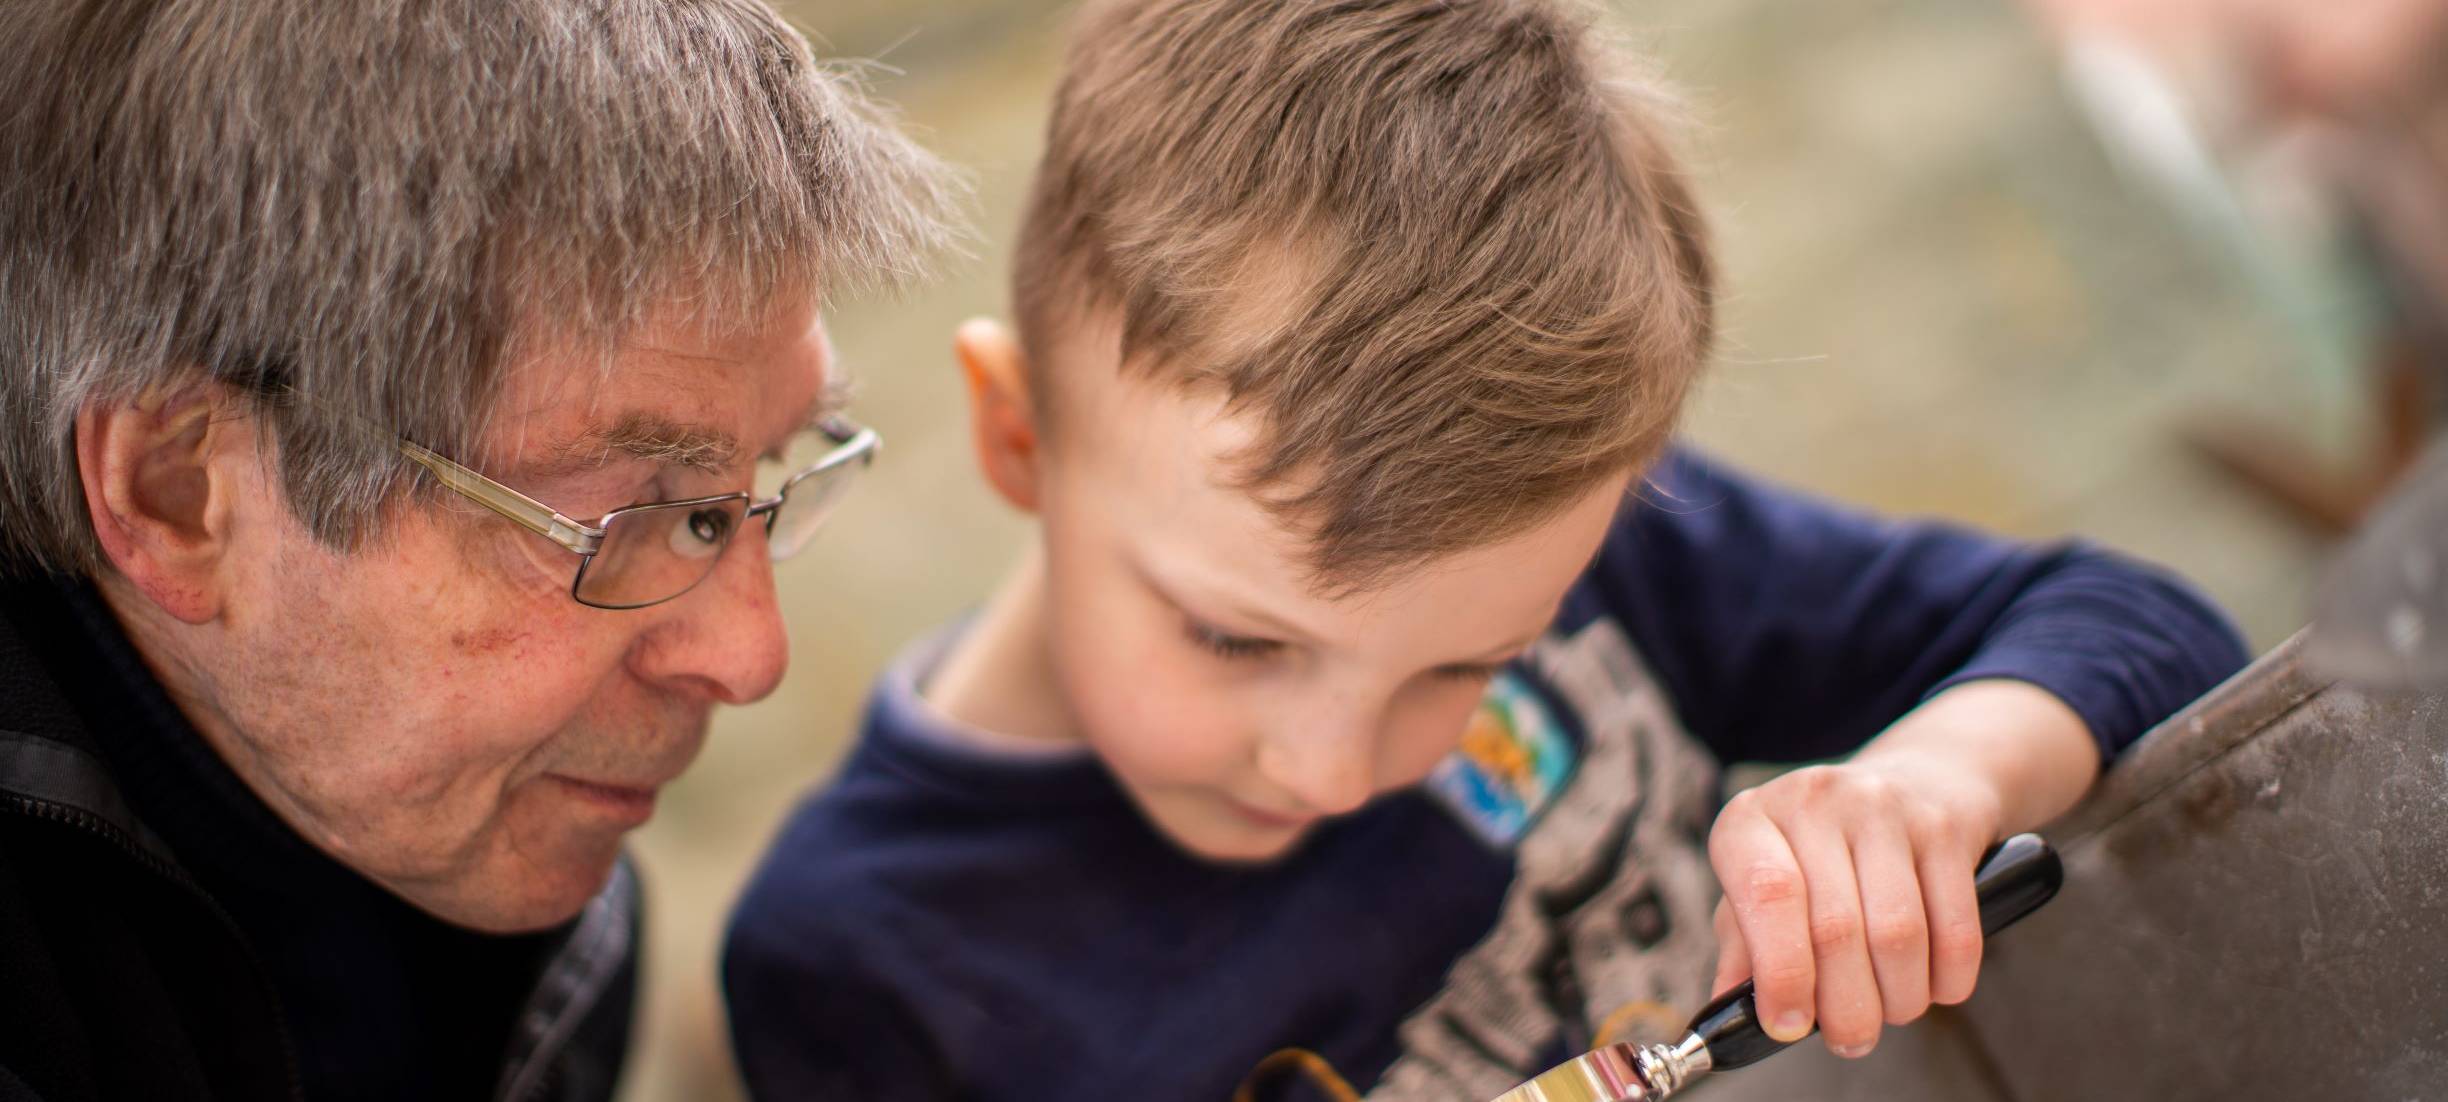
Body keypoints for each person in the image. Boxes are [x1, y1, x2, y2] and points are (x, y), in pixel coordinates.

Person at [719, 0, 2249, 1098]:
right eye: (1238, 636)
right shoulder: (865, 961)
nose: (1332, 768)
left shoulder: (1597, 552)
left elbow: (2143, 624)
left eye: (1473, 665)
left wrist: (1935, 781)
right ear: (1019, 436)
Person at [0, 2, 955, 1100]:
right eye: (627, 517)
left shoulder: (526, 884)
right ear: (176, 495)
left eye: (744, 490)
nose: (751, 657)